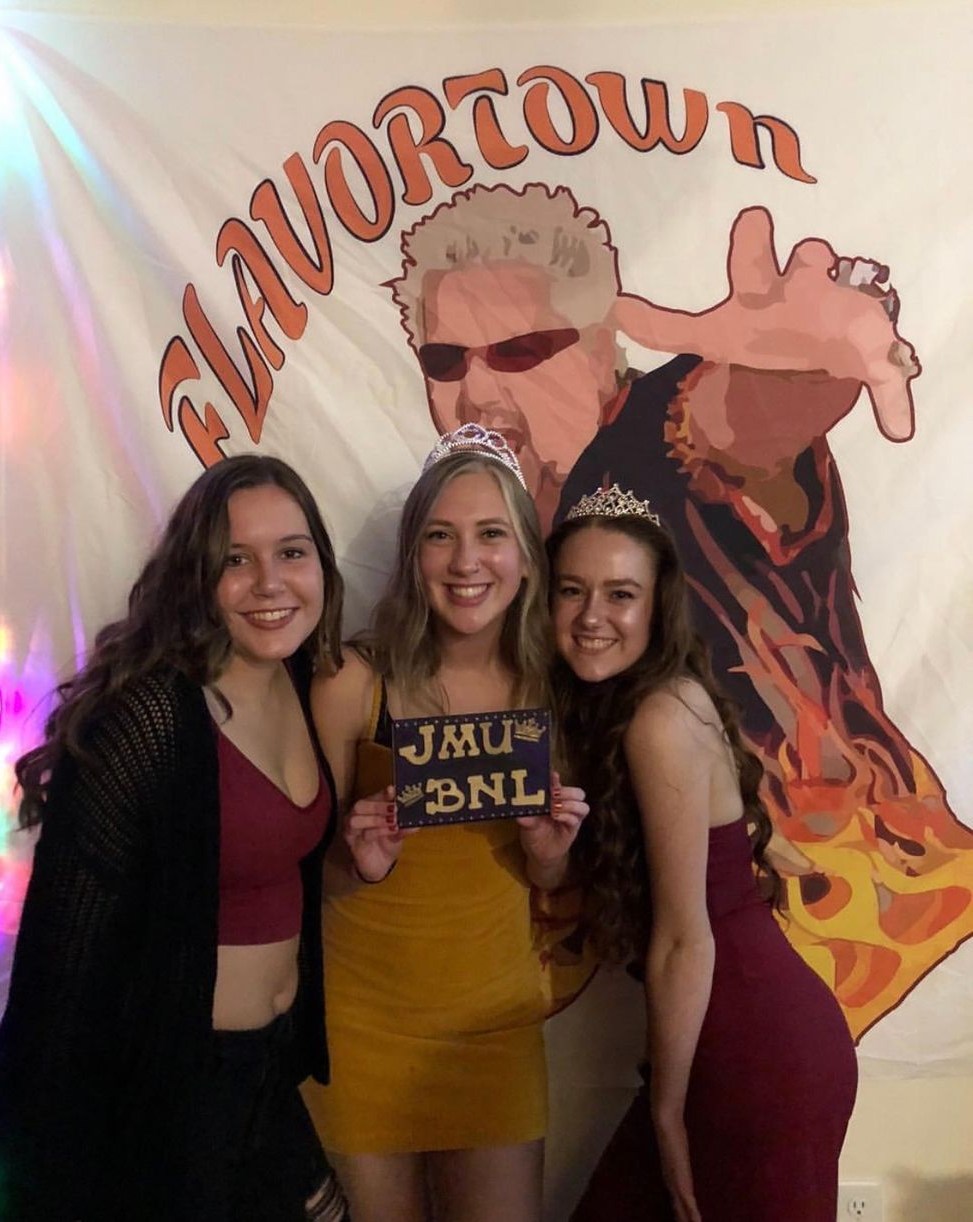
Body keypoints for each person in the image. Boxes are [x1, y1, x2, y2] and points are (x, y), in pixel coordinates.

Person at [388, 181, 973, 1040]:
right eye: (446, 361)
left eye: (519, 351)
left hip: (841, 932)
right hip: (635, 993)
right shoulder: (490, 550)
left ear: (603, 346)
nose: (474, 395)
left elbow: (735, 416)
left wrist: (808, 362)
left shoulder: (659, 435)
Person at [0, 456, 349, 1222]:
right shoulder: (148, 719)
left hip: (268, 1073)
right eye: (235, 560)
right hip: (172, 1088)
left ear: (322, 563)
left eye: (291, 552)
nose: (270, 582)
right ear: (196, 576)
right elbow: (63, 966)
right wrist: (46, 1171)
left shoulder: (300, 681)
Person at [302, 424, 588, 1222]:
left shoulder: (551, 689)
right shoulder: (352, 683)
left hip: (492, 1031)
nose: (467, 562)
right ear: (412, 556)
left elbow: (547, 876)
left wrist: (548, 853)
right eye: (440, 536)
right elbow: (306, 875)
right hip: (361, 1032)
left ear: (526, 556)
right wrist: (358, 862)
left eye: (491, 534)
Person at [548, 485, 858, 1222]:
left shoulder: (659, 716)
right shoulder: (633, 704)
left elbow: (686, 938)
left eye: (621, 594)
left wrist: (666, 1114)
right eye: (571, 590)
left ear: (658, 608)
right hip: (728, 1046)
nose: (591, 616)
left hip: (754, 1057)